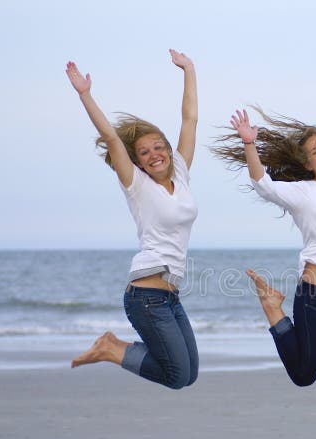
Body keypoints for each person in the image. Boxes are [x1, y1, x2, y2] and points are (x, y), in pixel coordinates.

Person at [65, 50, 199, 390]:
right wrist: (85, 95)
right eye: (144, 152)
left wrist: (189, 70)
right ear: (136, 161)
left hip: (170, 295)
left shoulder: (181, 174)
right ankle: (111, 348)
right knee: (177, 376)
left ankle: (113, 348)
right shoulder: (137, 186)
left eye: (158, 147)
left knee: (189, 375)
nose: (154, 154)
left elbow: (189, 120)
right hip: (146, 296)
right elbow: (112, 138)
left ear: (169, 150)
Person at [212, 108, 316, 387]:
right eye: (315, 152)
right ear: (308, 165)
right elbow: (263, 185)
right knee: (303, 375)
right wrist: (249, 143)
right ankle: (273, 308)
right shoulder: (303, 193)